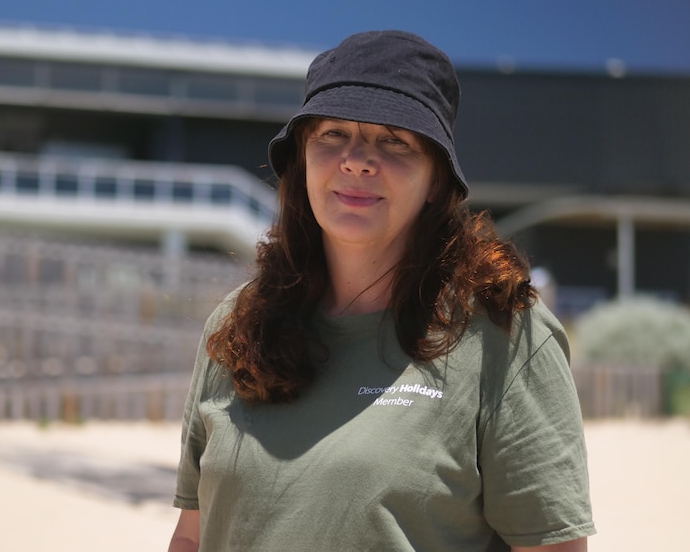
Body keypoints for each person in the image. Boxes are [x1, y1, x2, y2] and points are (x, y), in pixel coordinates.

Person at [168, 30, 595, 552]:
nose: (356, 160)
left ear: (437, 180)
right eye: (332, 134)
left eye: (394, 140)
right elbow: (192, 534)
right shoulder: (238, 325)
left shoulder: (502, 333)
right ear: (301, 158)